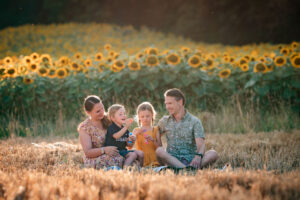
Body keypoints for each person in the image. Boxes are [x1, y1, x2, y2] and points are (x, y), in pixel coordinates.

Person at [156, 88, 218, 169]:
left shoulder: (194, 121)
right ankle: (186, 169)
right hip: (171, 160)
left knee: (213, 153)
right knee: (159, 151)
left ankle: (186, 168)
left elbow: (201, 145)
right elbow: (155, 134)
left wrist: (198, 157)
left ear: (180, 102)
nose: (167, 107)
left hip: (191, 160)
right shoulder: (164, 121)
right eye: (166, 104)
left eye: (170, 103)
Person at [78, 95, 124, 169]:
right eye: (98, 111)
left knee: (133, 156)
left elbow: (122, 137)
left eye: (102, 108)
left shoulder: (109, 118)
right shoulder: (85, 128)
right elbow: (88, 152)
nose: (102, 112)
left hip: (115, 153)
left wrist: (129, 140)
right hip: (96, 159)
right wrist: (104, 150)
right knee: (112, 160)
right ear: (88, 112)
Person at [133, 102, 161, 167]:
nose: (145, 118)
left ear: (152, 115)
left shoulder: (156, 129)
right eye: (142, 117)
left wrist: (153, 140)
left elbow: (160, 147)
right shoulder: (136, 130)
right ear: (139, 117)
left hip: (154, 160)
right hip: (141, 159)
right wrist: (134, 135)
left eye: (147, 116)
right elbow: (129, 146)